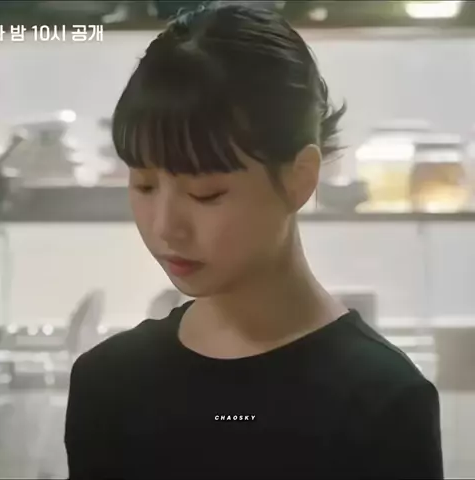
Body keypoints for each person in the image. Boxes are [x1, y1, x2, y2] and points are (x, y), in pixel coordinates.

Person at [64, 3, 444, 479]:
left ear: (300, 178)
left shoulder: (382, 401)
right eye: (143, 185)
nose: (164, 227)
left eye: (205, 194)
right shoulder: (108, 384)